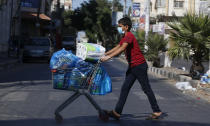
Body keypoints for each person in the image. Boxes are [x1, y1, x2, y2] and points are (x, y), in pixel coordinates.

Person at [100, 17, 163, 120]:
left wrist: (108, 57)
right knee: (125, 88)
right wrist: (104, 53)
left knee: (146, 88)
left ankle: (157, 110)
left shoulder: (129, 36)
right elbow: (118, 46)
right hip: (133, 67)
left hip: (139, 66)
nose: (119, 28)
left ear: (126, 27)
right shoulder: (124, 37)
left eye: (120, 26)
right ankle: (117, 112)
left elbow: (122, 48)